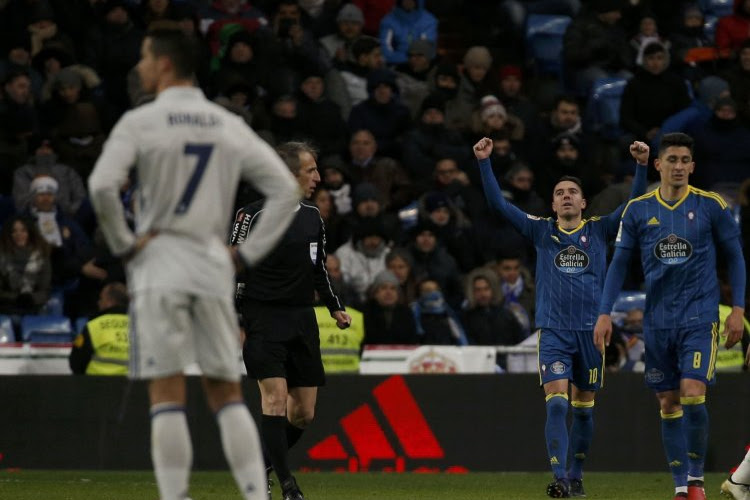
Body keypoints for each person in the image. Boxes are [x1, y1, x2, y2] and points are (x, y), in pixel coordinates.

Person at [88, 28, 300, 500]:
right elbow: (287, 190)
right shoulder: (224, 122)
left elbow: (102, 186)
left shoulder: (141, 121)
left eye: (145, 55)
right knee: (226, 393)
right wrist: (245, 254)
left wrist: (124, 244)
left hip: (160, 261)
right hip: (211, 262)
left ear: (164, 64)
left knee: (166, 394)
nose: (140, 64)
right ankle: (255, 495)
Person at [474, 135, 648, 497]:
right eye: (559, 192)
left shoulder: (599, 229)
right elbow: (496, 204)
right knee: (556, 403)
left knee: (583, 411)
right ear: (553, 204)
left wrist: (642, 167)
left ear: (583, 202)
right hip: (553, 332)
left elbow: (634, 206)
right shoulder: (541, 230)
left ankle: (576, 474)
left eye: (572, 191)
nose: (566, 195)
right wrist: (484, 162)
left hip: (591, 334)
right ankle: (560, 478)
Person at [593, 132, 746, 500]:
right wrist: (604, 313)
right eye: (671, 160)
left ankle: (695, 482)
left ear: (692, 167)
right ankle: (680, 486)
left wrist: (738, 309)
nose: (678, 166)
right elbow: (618, 265)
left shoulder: (711, 206)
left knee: (693, 393)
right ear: (658, 164)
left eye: (684, 161)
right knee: (668, 402)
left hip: (699, 317)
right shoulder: (638, 210)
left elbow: (736, 257)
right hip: (657, 322)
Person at [231, 141, 352, 500]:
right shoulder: (250, 216)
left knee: (303, 414)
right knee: (274, 399)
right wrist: (237, 319)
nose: (318, 177)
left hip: (302, 319)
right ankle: (287, 487)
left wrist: (334, 306)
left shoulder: (312, 216)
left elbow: (318, 270)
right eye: (310, 170)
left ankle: (261, 466)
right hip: (262, 317)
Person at [69, 282, 129, 375]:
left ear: (110, 302)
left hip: (97, 385)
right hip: (132, 386)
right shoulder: (139, 327)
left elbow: (76, 362)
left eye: (101, 298)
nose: (98, 302)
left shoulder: (93, 325)